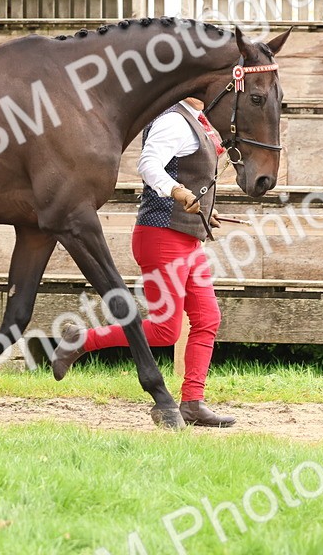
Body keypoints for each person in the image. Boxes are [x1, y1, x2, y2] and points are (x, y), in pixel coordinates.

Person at [50, 96, 235, 428]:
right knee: (165, 330)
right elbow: (149, 164)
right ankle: (81, 340)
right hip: (162, 236)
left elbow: (191, 175)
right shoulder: (172, 120)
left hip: (189, 237)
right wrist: (177, 192)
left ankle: (192, 403)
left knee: (208, 318)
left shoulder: (196, 119)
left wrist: (208, 209)